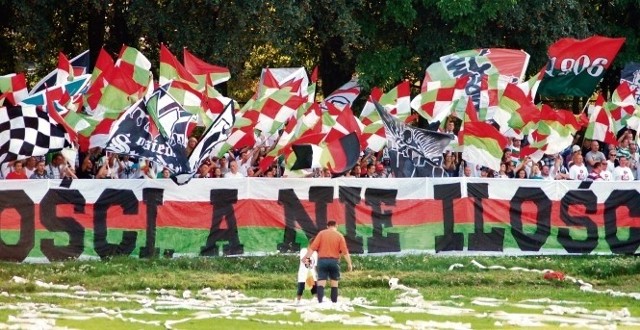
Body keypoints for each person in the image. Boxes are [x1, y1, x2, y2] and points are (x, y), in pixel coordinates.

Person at [302, 221, 353, 304]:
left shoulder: (321, 234)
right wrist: (349, 263)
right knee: (334, 283)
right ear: (336, 226)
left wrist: (306, 258)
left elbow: (313, 247)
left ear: (327, 226)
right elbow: (345, 251)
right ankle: (334, 302)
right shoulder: (339, 235)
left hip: (322, 261)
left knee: (321, 282)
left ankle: (320, 302)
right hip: (334, 262)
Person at [296, 239, 318, 303]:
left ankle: (317, 301)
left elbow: (314, 265)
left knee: (315, 289)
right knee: (301, 289)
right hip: (303, 274)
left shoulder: (315, 253)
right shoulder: (303, 250)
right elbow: (304, 261)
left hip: (312, 274)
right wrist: (309, 252)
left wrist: (316, 274)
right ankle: (298, 301)